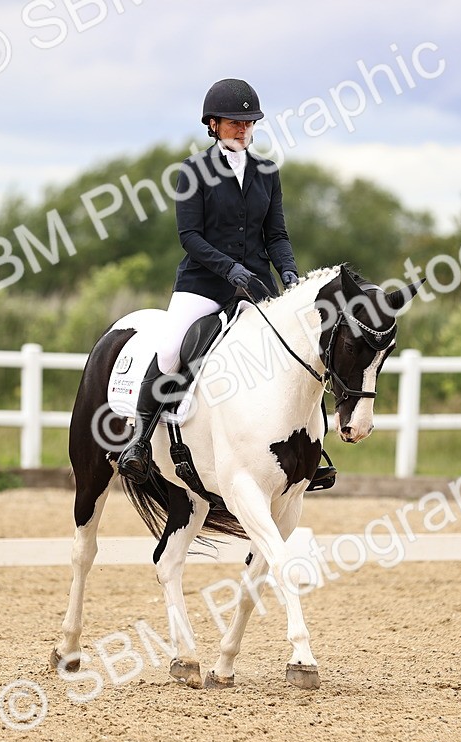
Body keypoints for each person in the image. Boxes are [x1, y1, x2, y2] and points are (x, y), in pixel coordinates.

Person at [117, 78, 300, 483]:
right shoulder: (193, 171)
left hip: (257, 285)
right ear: (213, 125)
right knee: (169, 350)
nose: (244, 129)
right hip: (202, 283)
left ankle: (307, 450)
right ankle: (140, 441)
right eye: (236, 122)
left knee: (295, 351)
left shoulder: (267, 173)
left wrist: (287, 269)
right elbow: (190, 237)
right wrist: (228, 268)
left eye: (250, 123)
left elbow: (277, 236)